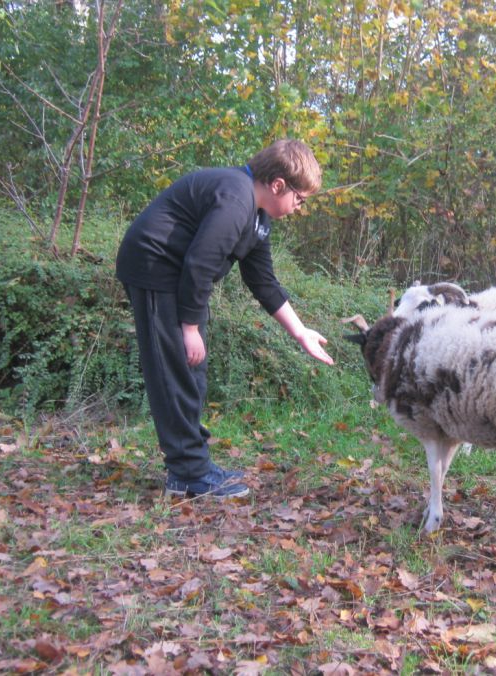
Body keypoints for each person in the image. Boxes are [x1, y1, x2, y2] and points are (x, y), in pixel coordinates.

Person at [116, 139, 334, 500]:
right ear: (278, 184)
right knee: (175, 371)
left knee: (191, 371)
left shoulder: (257, 216)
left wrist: (300, 332)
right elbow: (200, 262)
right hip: (154, 268)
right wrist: (188, 328)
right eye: (300, 199)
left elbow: (262, 279)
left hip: (179, 278)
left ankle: (193, 465)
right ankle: (187, 474)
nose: (298, 208)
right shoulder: (236, 199)